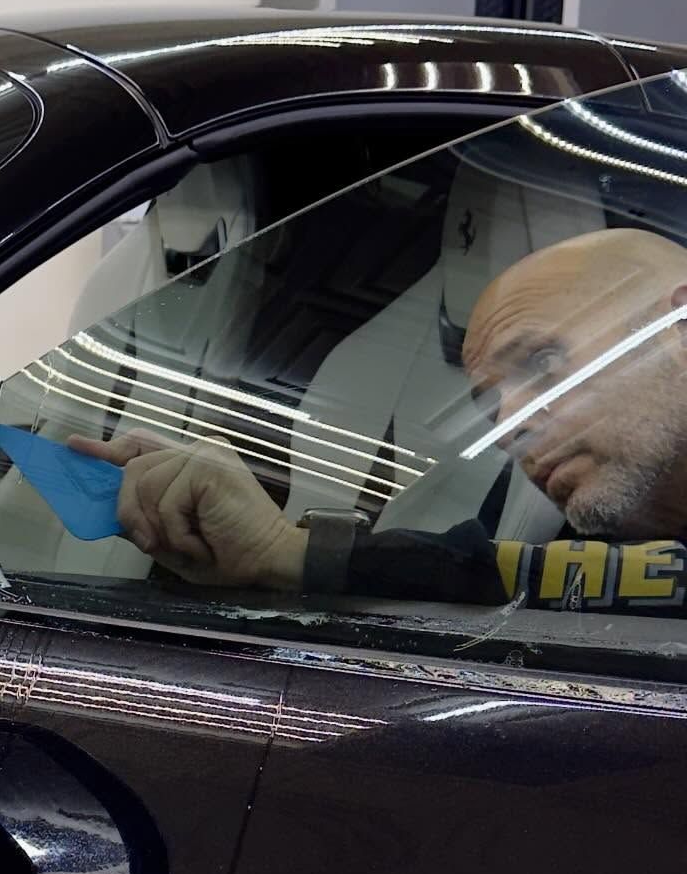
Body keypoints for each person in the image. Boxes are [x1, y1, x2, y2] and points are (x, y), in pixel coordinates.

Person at [68, 227, 687, 615]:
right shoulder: (602, 560)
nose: (510, 424)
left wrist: (287, 553)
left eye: (542, 359)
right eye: (489, 404)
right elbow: (479, 569)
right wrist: (280, 551)